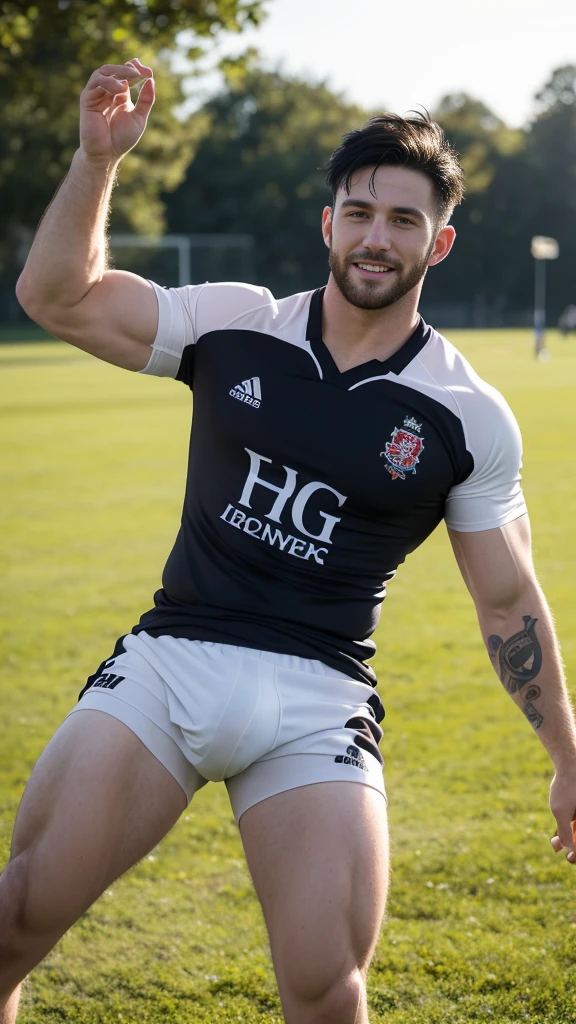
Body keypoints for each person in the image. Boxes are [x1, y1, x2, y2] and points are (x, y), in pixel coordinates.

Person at [3, 58, 576, 1024]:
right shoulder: (235, 322)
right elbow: (59, 296)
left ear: (437, 243)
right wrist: (96, 160)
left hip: (319, 700)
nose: (376, 236)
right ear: (328, 224)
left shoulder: (467, 415)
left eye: (403, 220)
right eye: (359, 211)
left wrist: (566, 751)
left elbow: (507, 601)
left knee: (325, 991)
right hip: (171, 664)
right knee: (16, 915)